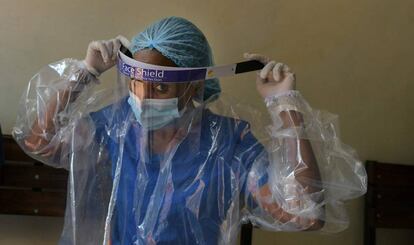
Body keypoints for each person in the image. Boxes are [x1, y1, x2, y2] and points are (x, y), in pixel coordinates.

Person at [13, 17, 366, 245]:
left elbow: (305, 213)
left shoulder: (229, 143)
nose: (144, 98)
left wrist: (286, 107)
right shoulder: (113, 128)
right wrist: (84, 74)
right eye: (136, 83)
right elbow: (39, 143)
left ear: (194, 85)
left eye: (161, 88)